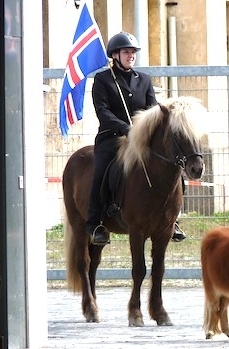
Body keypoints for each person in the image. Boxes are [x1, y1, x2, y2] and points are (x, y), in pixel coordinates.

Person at [86, 31, 187, 245]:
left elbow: (152, 109)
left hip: (141, 140)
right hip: (112, 139)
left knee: (174, 170)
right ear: (115, 55)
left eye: (133, 52)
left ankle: (173, 218)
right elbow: (103, 111)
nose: (131, 55)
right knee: (101, 173)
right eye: (126, 52)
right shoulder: (103, 80)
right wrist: (126, 128)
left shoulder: (144, 80)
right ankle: (96, 223)